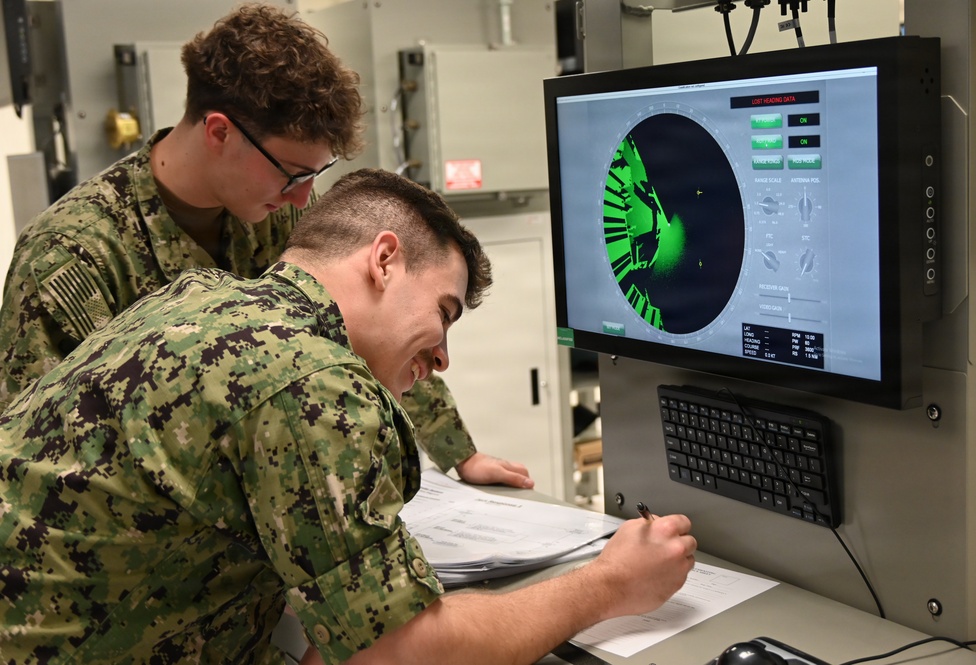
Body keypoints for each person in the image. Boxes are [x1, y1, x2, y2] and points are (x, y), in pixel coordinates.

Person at [0, 168, 697, 664]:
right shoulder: (313, 378)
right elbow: (400, 653)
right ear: (384, 259)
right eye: (444, 314)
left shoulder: (200, 297)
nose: (443, 358)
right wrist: (608, 584)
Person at [0, 3, 531, 490]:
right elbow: (35, 459)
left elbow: (379, 327)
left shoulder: (278, 211)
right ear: (218, 132)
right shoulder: (70, 254)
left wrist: (460, 453)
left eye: (315, 175)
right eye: (292, 173)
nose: (305, 194)